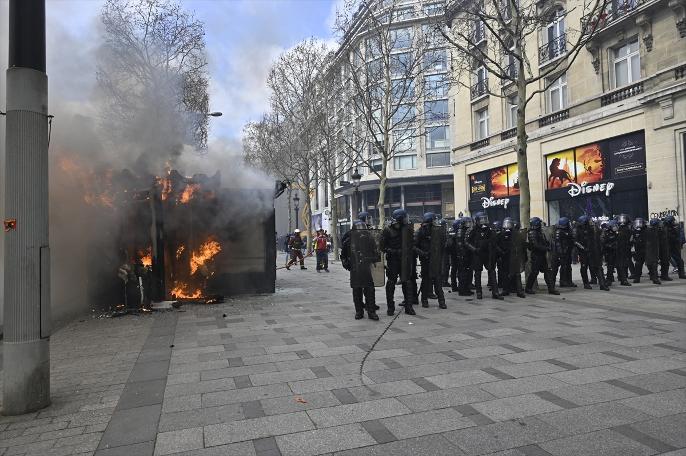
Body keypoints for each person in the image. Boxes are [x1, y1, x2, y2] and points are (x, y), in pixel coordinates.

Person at [341, 220, 379, 320]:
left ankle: (371, 311)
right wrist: (346, 264)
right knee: (357, 290)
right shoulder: (349, 240)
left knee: (370, 290)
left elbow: (376, 252)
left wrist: (372, 258)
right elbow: (343, 255)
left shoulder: (369, 239)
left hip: (366, 268)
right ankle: (359, 311)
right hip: (355, 268)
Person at [381, 209, 417, 315]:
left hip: (405, 260)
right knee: (391, 282)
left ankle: (408, 306)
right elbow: (382, 246)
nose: (407, 219)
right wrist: (394, 251)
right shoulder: (387, 230)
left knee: (407, 281)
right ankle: (390, 307)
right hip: (393, 260)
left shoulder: (408, 228)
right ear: (400, 219)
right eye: (405, 217)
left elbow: (412, 243)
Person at [465, 212, 503, 300]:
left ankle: (495, 292)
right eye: (481, 219)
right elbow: (466, 242)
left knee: (492, 272)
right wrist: (474, 249)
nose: (483, 222)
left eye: (484, 219)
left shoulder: (490, 229)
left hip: (488, 254)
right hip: (478, 254)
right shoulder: (472, 229)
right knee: (477, 273)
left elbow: (494, 241)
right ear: (477, 221)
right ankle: (479, 292)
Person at [414, 213, 447, 309]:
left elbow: (443, 243)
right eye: (434, 220)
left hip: (435, 259)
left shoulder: (438, 230)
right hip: (426, 260)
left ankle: (441, 301)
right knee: (425, 281)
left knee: (437, 281)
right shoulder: (420, 231)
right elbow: (414, 246)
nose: (435, 222)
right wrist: (423, 253)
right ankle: (424, 300)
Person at [525, 217, 560, 295]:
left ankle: (551, 289)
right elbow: (535, 245)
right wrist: (546, 248)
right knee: (534, 272)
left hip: (541, 255)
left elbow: (543, 241)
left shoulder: (539, 232)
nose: (541, 224)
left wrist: (547, 244)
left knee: (547, 272)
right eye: (539, 223)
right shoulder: (532, 232)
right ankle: (528, 288)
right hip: (536, 255)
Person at [500, 217, 527, 298]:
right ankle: (506, 290)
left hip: (514, 256)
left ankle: (519, 291)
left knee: (516, 274)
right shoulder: (502, 234)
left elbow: (522, 245)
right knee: (506, 274)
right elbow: (497, 245)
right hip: (506, 256)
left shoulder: (517, 234)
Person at [632, 218, 661, 284]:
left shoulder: (648, 230)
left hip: (648, 249)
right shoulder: (634, 231)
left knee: (652, 264)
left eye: (640, 223)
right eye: (637, 223)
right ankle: (637, 278)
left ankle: (654, 278)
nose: (639, 225)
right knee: (638, 264)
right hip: (639, 250)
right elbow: (632, 240)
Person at [553, 217, 577, 287]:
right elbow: (558, 244)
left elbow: (571, 240)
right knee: (563, 267)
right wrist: (561, 253)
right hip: (562, 253)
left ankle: (569, 281)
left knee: (568, 267)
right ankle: (563, 281)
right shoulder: (558, 231)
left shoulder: (568, 230)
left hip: (568, 252)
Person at [455, 217, 474, 296]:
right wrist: (463, 254)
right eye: (467, 223)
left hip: (465, 254)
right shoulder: (460, 231)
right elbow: (460, 245)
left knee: (466, 273)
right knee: (463, 273)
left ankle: (466, 288)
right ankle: (462, 290)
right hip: (462, 255)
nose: (469, 224)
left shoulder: (466, 231)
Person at [614, 214, 632, 286]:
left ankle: (623, 278)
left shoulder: (627, 229)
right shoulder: (618, 228)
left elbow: (630, 239)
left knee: (623, 264)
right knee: (621, 264)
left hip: (624, 248)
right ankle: (623, 279)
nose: (622, 221)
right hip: (619, 249)